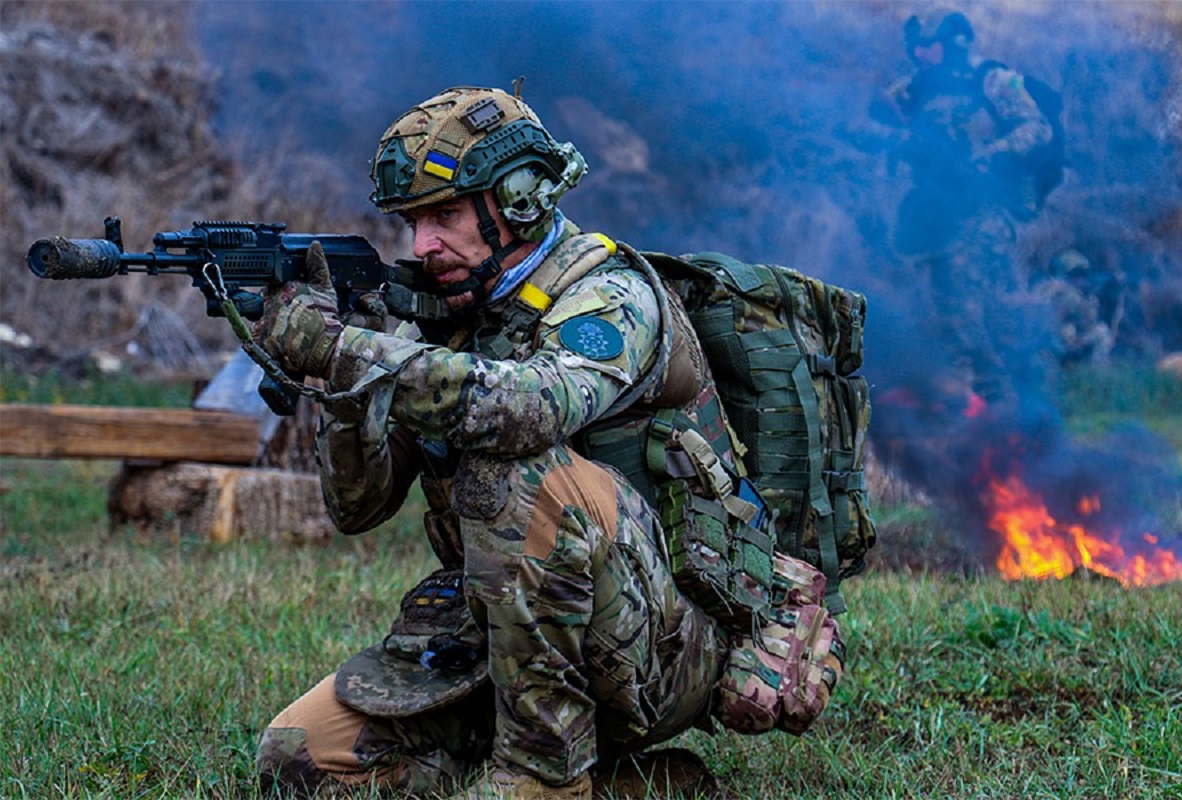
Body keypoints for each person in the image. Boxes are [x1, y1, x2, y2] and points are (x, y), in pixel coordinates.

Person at [250, 86, 843, 799]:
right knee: (299, 757)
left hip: (664, 647)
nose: (422, 246)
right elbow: (357, 507)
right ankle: (627, 786)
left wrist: (348, 352)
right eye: (411, 223)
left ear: (521, 200)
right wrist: (346, 380)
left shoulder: (612, 296)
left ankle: (546, 778)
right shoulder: (446, 319)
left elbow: (527, 410)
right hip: (506, 638)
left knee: (512, 471)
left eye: (444, 216)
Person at [870, 8, 1056, 402]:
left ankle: (1012, 402)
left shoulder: (991, 79)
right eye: (915, 47)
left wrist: (992, 154)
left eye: (928, 45)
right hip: (935, 212)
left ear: (954, 43)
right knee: (941, 310)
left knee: (983, 314)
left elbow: (1038, 128)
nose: (920, 54)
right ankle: (970, 402)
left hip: (983, 210)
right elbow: (878, 124)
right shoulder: (913, 88)